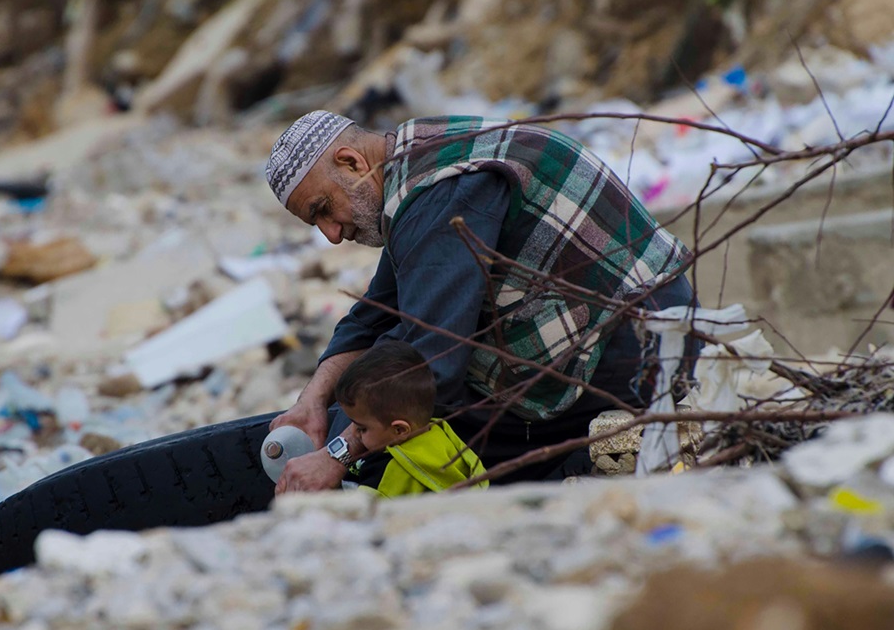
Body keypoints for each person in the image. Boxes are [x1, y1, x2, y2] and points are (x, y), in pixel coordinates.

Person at [265, 110, 697, 493]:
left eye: (324, 209)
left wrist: (338, 455)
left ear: (351, 162)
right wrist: (313, 401)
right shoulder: (421, 160)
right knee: (363, 397)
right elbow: (376, 312)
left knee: (387, 443)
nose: (332, 235)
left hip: (641, 349)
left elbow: (433, 366)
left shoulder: (439, 194)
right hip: (631, 325)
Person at [331, 340, 488, 497]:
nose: (354, 433)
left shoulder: (384, 472)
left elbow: (359, 516)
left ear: (400, 430)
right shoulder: (442, 433)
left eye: (362, 428)